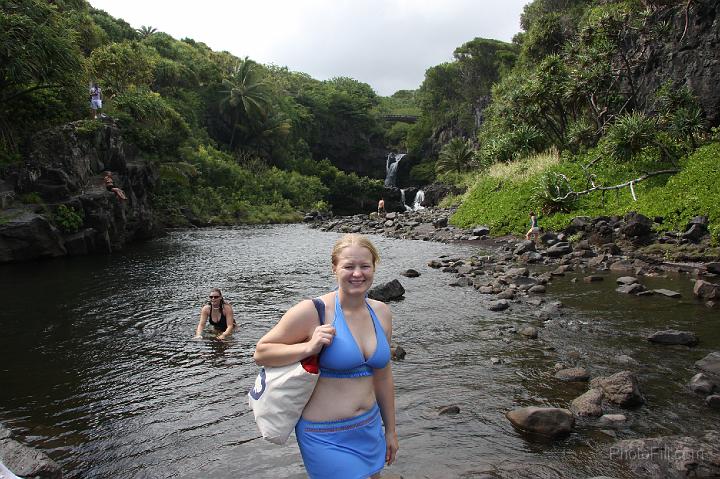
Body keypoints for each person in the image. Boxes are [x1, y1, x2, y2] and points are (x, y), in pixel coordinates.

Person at [253, 234, 398, 478]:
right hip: (324, 436)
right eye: (349, 266)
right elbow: (262, 352)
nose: (357, 273)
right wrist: (308, 347)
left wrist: (391, 430)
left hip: (369, 428)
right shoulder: (313, 311)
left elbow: (383, 377)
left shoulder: (382, 313)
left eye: (365, 266)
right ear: (334, 268)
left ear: (374, 267)